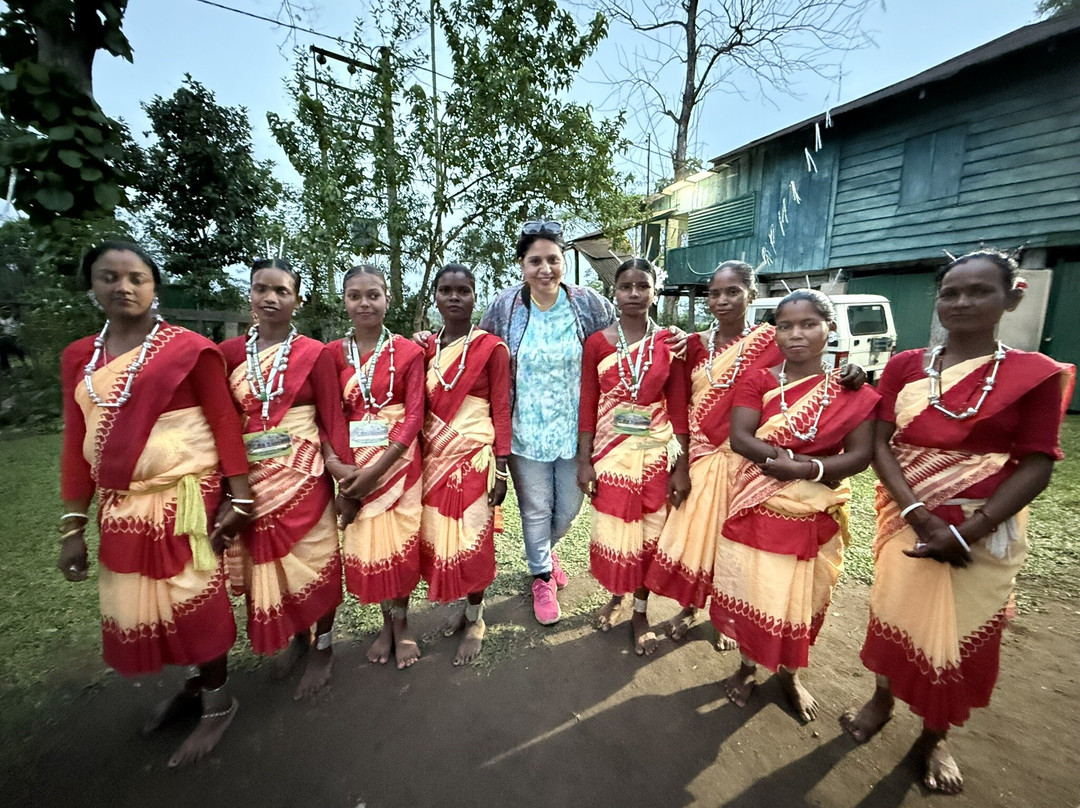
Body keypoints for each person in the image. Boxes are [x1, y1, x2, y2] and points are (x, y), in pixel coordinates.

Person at [839, 250, 1075, 795]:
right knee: (893, 614)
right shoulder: (906, 366)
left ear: (1011, 297)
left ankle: (935, 733)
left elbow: (1038, 461)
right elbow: (880, 443)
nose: (962, 302)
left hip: (983, 534)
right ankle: (881, 699)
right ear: (938, 300)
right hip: (906, 521)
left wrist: (970, 530)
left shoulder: (1034, 375)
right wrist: (918, 515)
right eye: (951, 292)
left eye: (979, 291)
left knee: (963, 635)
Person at [59, 240, 253, 767]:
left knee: (196, 602)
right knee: (151, 605)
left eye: (136, 278)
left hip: (186, 502)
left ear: (154, 287)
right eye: (108, 277)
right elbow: (77, 444)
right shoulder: (80, 358)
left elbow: (224, 424)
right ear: (92, 285)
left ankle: (219, 703)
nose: (122, 287)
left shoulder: (189, 349)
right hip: (123, 507)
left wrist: (240, 499)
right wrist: (73, 526)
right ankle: (193, 685)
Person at [478, 220, 685, 625]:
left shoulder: (588, 303)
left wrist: (673, 334)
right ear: (522, 265)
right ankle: (541, 576)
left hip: (579, 431)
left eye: (553, 260)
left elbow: (626, 338)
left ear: (563, 262)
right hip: (526, 431)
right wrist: (430, 341)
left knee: (568, 510)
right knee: (536, 509)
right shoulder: (505, 306)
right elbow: (479, 348)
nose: (545, 269)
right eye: (535, 261)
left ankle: (543, 552)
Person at [712, 289, 880, 722]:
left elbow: (860, 455)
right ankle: (748, 666)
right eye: (785, 326)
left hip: (815, 515)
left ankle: (790, 674)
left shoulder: (850, 389)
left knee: (803, 599)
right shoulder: (759, 380)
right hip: (760, 506)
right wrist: (789, 465)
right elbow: (740, 438)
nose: (796, 334)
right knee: (755, 591)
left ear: (830, 328)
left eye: (808, 324)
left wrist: (804, 469)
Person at [220, 258, 351, 699]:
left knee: (316, 560)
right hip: (253, 484)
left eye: (282, 291)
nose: (271, 298)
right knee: (273, 566)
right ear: (250, 294)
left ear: (298, 300)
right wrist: (228, 488)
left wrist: (345, 482)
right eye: (262, 288)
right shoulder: (229, 355)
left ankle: (324, 646)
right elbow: (223, 425)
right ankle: (299, 638)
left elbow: (333, 419)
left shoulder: (315, 353)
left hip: (305, 477)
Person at [644, 261, 781, 641]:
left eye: (733, 292)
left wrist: (850, 374)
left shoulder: (772, 342)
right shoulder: (691, 345)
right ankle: (690, 608)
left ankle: (725, 617)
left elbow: (803, 377)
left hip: (747, 462)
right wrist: (681, 465)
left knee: (734, 542)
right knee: (696, 539)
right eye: (715, 293)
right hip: (702, 457)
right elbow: (680, 405)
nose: (722, 300)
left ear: (751, 295)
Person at [576, 258, 690, 655]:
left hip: (654, 453)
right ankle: (617, 597)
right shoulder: (597, 343)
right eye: (626, 286)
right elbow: (588, 403)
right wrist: (584, 460)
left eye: (643, 286)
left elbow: (679, 406)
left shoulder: (671, 343)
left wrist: (681, 467)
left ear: (655, 293)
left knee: (648, 534)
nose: (634, 293)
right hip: (610, 454)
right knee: (616, 530)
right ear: (615, 292)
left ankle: (640, 610)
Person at [328, 265, 426, 669]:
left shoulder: (409, 352)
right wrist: (340, 469)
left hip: (399, 465)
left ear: (388, 299)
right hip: (353, 466)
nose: (364, 303)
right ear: (345, 301)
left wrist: (376, 472)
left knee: (399, 548)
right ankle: (385, 624)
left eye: (373, 295)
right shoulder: (332, 354)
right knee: (373, 548)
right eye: (355, 296)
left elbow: (415, 414)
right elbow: (328, 416)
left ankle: (401, 624)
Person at [420, 264, 511, 665]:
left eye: (463, 290)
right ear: (435, 297)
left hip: (475, 462)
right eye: (446, 290)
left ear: (476, 297)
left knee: (474, 543)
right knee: (442, 538)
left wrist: (502, 469)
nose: (454, 297)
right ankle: (463, 608)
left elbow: (501, 409)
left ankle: (476, 617)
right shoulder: (425, 348)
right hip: (434, 462)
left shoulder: (492, 348)